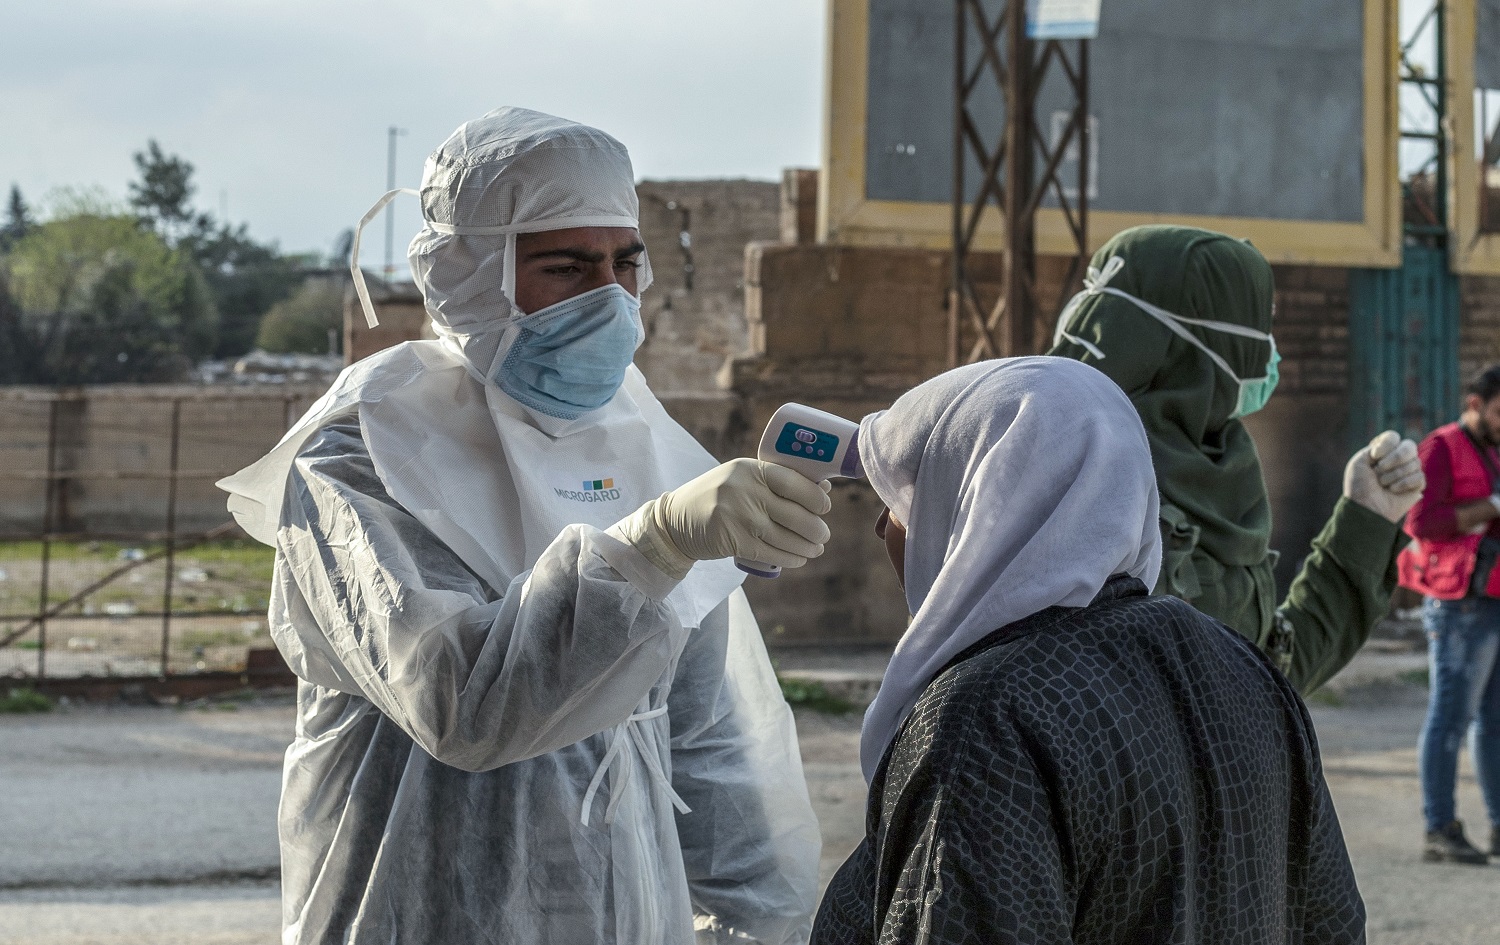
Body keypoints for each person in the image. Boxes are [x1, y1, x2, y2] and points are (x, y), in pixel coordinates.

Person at [218, 107, 826, 944]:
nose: (610, 299)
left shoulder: (647, 447)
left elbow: (710, 740)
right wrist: (647, 551)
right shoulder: (362, 455)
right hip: (415, 910)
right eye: (567, 266)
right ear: (468, 275)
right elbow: (463, 704)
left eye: (625, 264)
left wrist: (758, 923)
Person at [811, 357, 1365, 945]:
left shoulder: (981, 722)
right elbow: (1330, 921)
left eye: (908, 497)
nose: (884, 528)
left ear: (975, 504)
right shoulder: (1245, 672)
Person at [1048, 224, 1425, 692]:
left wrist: (1367, 519)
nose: (1271, 353)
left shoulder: (1216, 475)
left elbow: (1262, 676)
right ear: (1206, 349)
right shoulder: (1075, 488)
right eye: (1259, 330)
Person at [1397, 365, 1500, 865]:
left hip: (1496, 597)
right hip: (1459, 603)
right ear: (1476, 403)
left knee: (1496, 721)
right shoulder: (1440, 447)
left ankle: (1499, 827)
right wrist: (1490, 506)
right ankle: (1440, 828)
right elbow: (1421, 522)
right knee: (1449, 720)